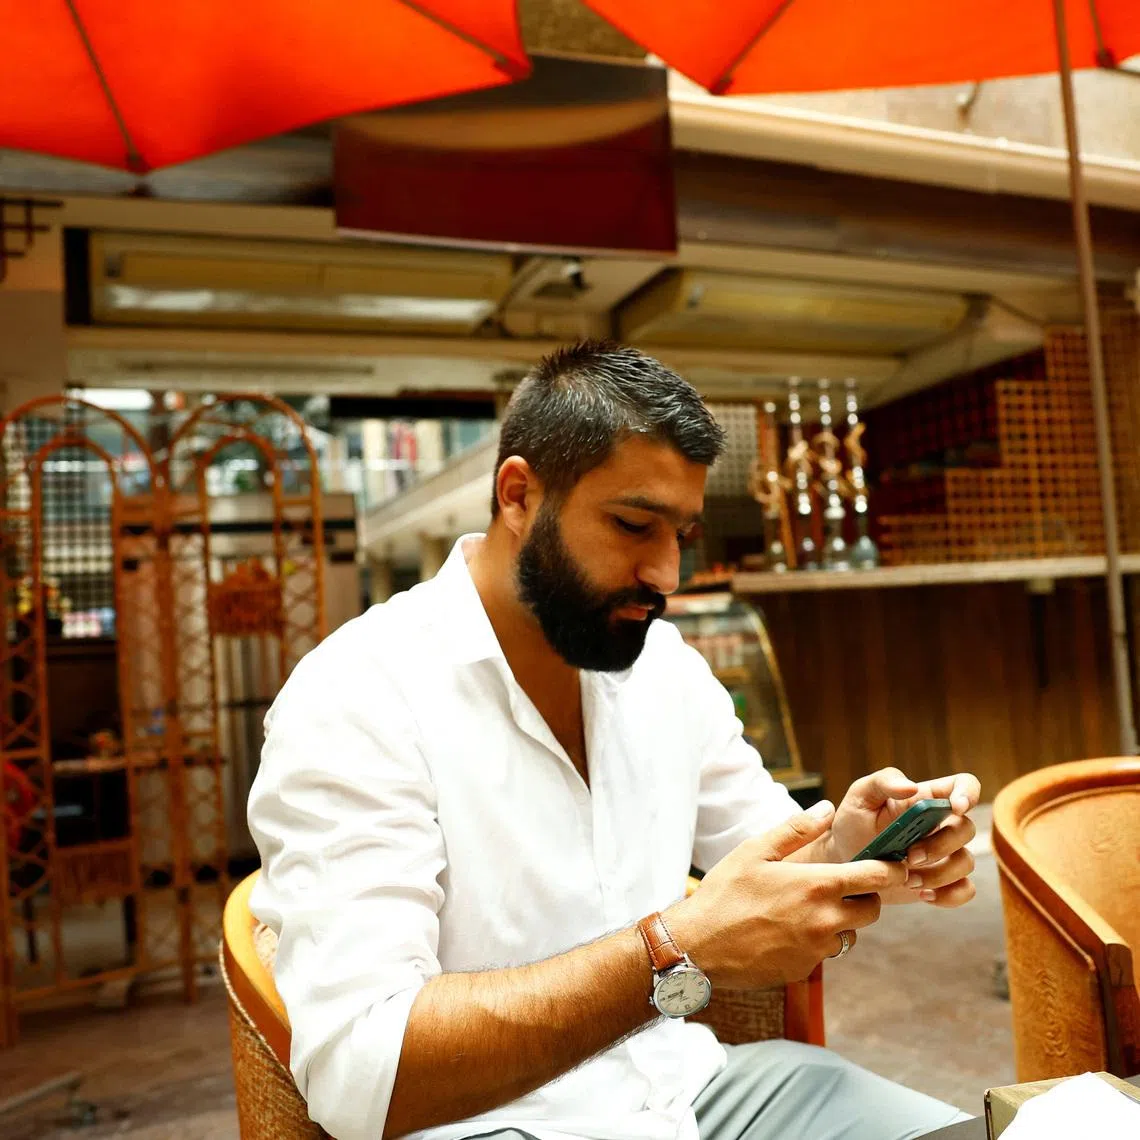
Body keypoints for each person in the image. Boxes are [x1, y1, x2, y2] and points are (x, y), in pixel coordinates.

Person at [249, 341, 980, 1140]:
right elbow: (367, 1074)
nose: (667, 573)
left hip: (694, 1093)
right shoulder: (357, 695)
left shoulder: (663, 670)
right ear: (519, 494)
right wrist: (672, 949)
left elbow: (767, 860)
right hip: (490, 1125)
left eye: (684, 534)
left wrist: (853, 841)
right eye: (634, 525)